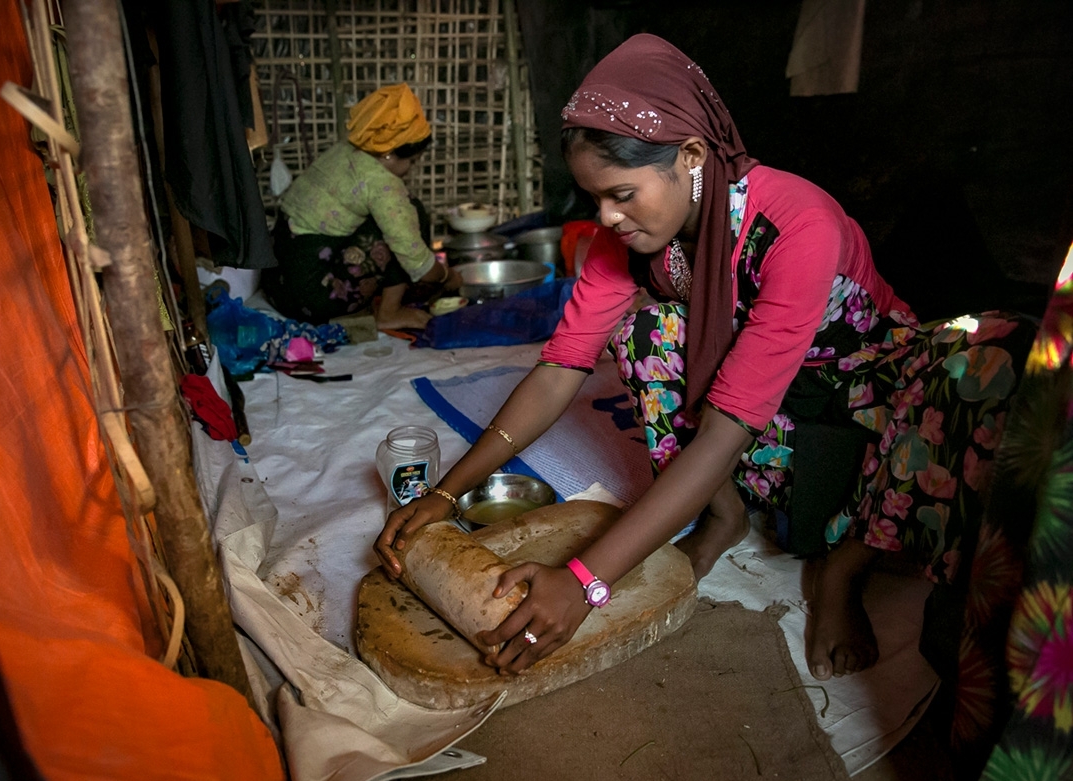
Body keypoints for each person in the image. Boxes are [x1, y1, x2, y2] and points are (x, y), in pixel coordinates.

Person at [374, 34, 1035, 686]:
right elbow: (558, 369)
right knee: (648, 334)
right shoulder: (628, 240)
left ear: (691, 155)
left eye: (622, 194)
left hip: (870, 398)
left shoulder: (796, 226)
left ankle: (847, 564)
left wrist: (584, 583)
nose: (607, 218)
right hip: (770, 413)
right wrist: (444, 492)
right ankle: (725, 515)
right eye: (594, 198)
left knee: (990, 356)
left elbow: (722, 432)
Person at [261, 83, 461, 331]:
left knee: (389, 221)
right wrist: (447, 276)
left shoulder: (344, 151)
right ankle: (389, 313)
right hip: (314, 298)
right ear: (388, 153)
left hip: (276, 285)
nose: (410, 168)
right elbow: (417, 262)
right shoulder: (382, 184)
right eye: (411, 160)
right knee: (409, 216)